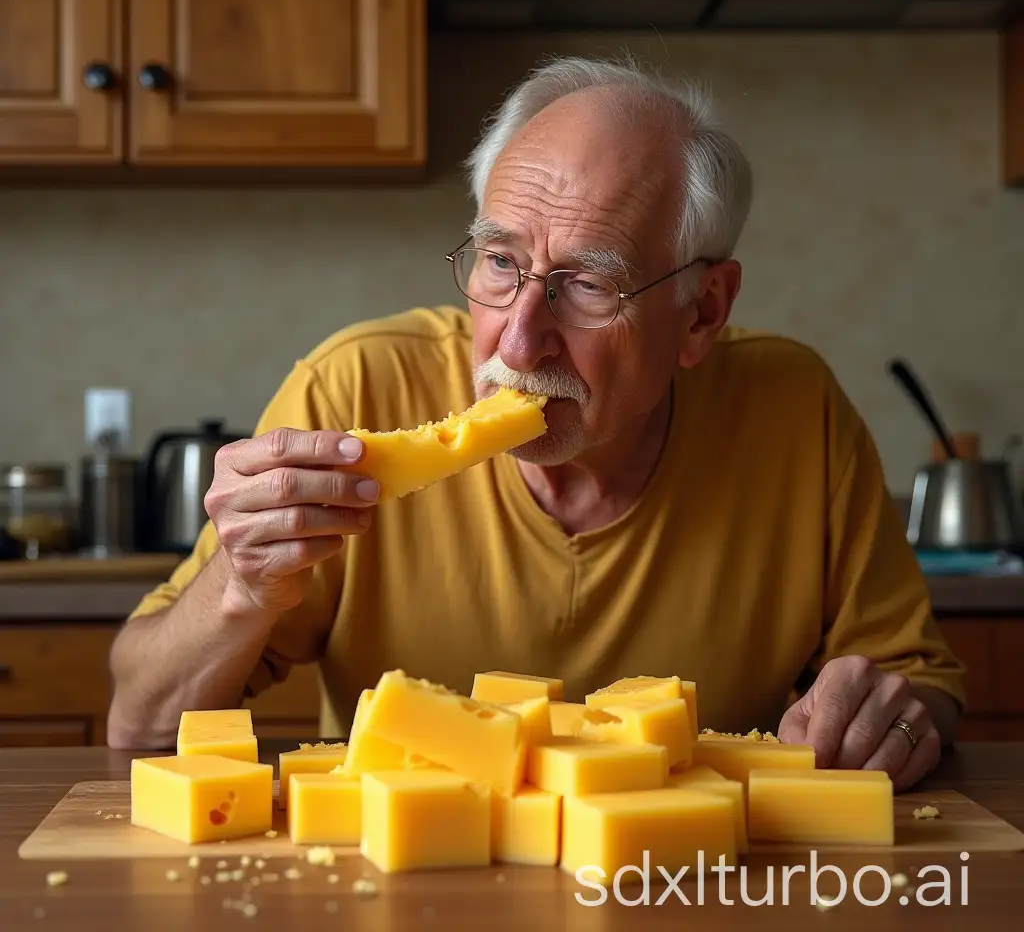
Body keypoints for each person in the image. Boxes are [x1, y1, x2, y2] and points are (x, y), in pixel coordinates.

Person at [107, 56, 963, 791]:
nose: (518, 339)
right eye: (501, 262)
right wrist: (244, 589)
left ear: (702, 311)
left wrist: (891, 717)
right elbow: (140, 720)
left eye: (588, 285)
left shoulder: (794, 409)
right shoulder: (354, 388)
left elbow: (914, 683)